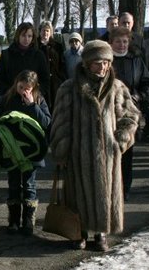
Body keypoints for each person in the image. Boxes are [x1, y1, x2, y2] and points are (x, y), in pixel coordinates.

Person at [49, 40, 140, 251]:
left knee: (105, 193)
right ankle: (78, 231)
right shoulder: (69, 88)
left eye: (107, 63)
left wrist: (121, 140)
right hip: (78, 153)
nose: (103, 68)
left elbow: (131, 116)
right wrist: (62, 149)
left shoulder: (117, 87)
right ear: (87, 63)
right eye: (98, 63)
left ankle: (100, 233)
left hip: (108, 153)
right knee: (77, 193)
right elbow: (60, 121)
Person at [0, 70, 51, 236]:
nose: (23, 91)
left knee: (29, 184)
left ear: (34, 88)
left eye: (28, 89)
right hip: (11, 150)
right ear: (16, 84)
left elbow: (46, 122)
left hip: (31, 152)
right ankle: (13, 220)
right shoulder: (6, 99)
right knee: (13, 184)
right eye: (21, 87)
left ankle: (28, 220)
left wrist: (32, 105)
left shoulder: (39, 100)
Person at [109, 27, 149, 200]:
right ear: (111, 43)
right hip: (107, 114)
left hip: (128, 114)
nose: (121, 45)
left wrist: (137, 96)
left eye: (125, 41)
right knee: (109, 152)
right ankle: (109, 187)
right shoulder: (105, 60)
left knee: (126, 153)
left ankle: (124, 189)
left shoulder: (136, 61)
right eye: (118, 41)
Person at [0, 22, 49, 104]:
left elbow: (45, 79)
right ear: (18, 36)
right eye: (23, 35)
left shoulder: (39, 55)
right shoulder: (7, 55)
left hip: (32, 99)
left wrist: (37, 94)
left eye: (29, 36)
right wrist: (8, 93)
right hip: (11, 100)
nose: (26, 39)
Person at [38, 21, 66, 107]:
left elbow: (62, 64)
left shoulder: (58, 46)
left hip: (55, 83)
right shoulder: (35, 46)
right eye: (43, 30)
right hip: (40, 83)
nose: (45, 33)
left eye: (47, 31)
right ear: (40, 32)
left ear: (51, 32)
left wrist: (61, 79)